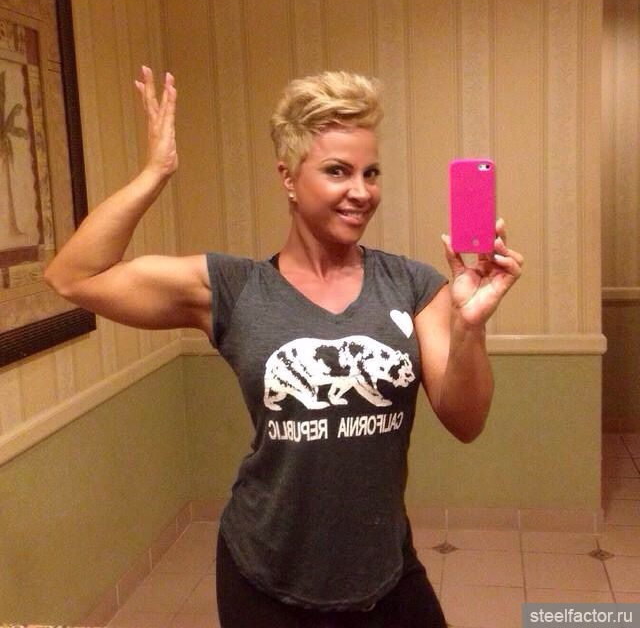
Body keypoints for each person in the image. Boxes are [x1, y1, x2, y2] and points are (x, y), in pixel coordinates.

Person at [45, 66, 523, 627]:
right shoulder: (234, 288)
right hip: (265, 573)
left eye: (371, 173)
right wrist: (156, 173)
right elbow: (73, 276)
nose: (361, 191)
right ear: (289, 177)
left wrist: (470, 327)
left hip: (383, 566)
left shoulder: (413, 285)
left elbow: (465, 420)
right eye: (338, 171)